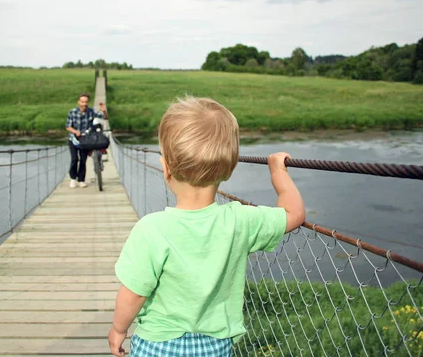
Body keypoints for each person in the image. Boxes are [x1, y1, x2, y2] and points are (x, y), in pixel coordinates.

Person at [108, 96, 305, 356]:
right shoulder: (240, 220)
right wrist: (278, 172)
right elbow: (294, 213)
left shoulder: (151, 229)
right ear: (229, 169)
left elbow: (134, 293)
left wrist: (118, 330)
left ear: (166, 168)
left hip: (157, 344)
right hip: (214, 345)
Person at [66, 92, 108, 188]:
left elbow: (105, 118)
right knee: (74, 159)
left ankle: (81, 179)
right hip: (73, 139)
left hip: (85, 139)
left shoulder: (91, 111)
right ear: (78, 102)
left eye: (86, 102)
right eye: (82, 102)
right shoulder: (72, 112)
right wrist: (75, 131)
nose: (84, 104)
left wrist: (104, 111)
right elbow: (68, 127)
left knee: (83, 160)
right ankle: (73, 178)